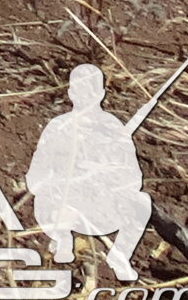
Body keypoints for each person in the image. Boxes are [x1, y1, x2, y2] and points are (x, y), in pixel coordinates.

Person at [25, 64, 155, 279]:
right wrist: (67, 179)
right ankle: (62, 241)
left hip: (101, 207)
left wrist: (106, 175)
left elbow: (134, 179)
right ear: (70, 93)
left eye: (91, 91)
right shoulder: (57, 126)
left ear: (101, 94)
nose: (85, 97)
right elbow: (35, 178)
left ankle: (119, 258)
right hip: (64, 204)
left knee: (142, 201)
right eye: (79, 90)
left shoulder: (114, 128)